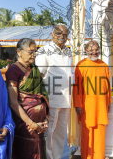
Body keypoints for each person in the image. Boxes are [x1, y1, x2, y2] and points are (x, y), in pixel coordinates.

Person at [6, 38, 49, 159]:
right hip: (24, 124)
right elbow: (13, 102)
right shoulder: (13, 70)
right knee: (26, 151)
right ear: (19, 52)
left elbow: (42, 94)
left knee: (39, 150)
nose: (34, 55)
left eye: (35, 51)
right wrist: (31, 123)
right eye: (30, 52)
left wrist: (45, 119)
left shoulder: (33, 69)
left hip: (39, 124)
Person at [35, 24, 73, 159]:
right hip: (51, 97)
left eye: (64, 34)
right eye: (58, 34)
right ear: (52, 34)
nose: (61, 37)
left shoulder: (68, 52)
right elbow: (39, 74)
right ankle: (48, 157)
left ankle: (57, 157)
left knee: (61, 132)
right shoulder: (44, 51)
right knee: (50, 131)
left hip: (67, 98)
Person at [73, 40, 112, 159]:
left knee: (100, 132)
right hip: (87, 105)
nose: (94, 52)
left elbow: (108, 86)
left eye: (96, 50)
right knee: (87, 132)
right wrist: (78, 105)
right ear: (86, 51)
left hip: (101, 105)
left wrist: (108, 102)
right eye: (91, 50)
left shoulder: (104, 65)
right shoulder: (81, 65)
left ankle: (100, 156)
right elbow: (76, 87)